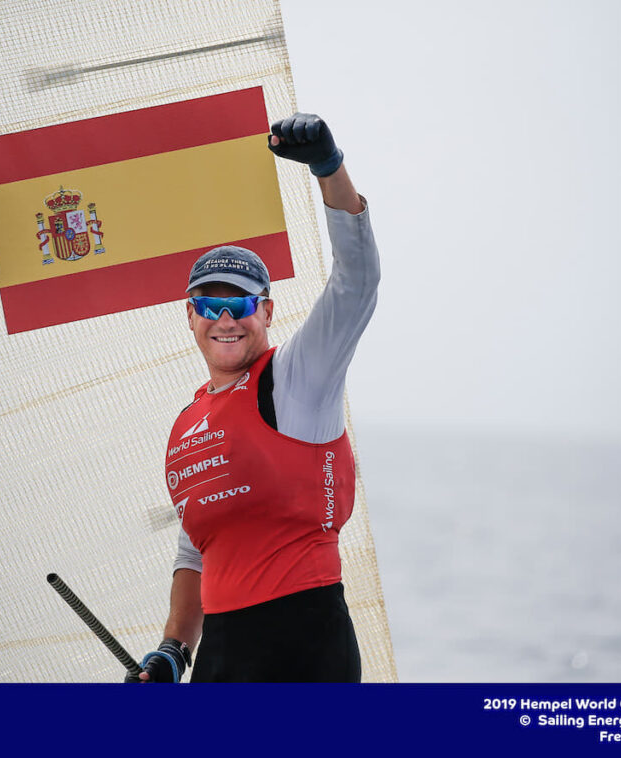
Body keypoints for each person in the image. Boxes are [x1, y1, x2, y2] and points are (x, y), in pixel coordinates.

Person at [128, 112, 379, 683]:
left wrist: (329, 169)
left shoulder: (296, 379)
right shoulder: (187, 422)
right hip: (220, 651)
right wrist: (173, 648)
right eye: (209, 305)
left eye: (239, 304)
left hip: (304, 639)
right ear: (189, 317)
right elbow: (197, 549)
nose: (225, 318)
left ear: (265, 311)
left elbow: (357, 283)